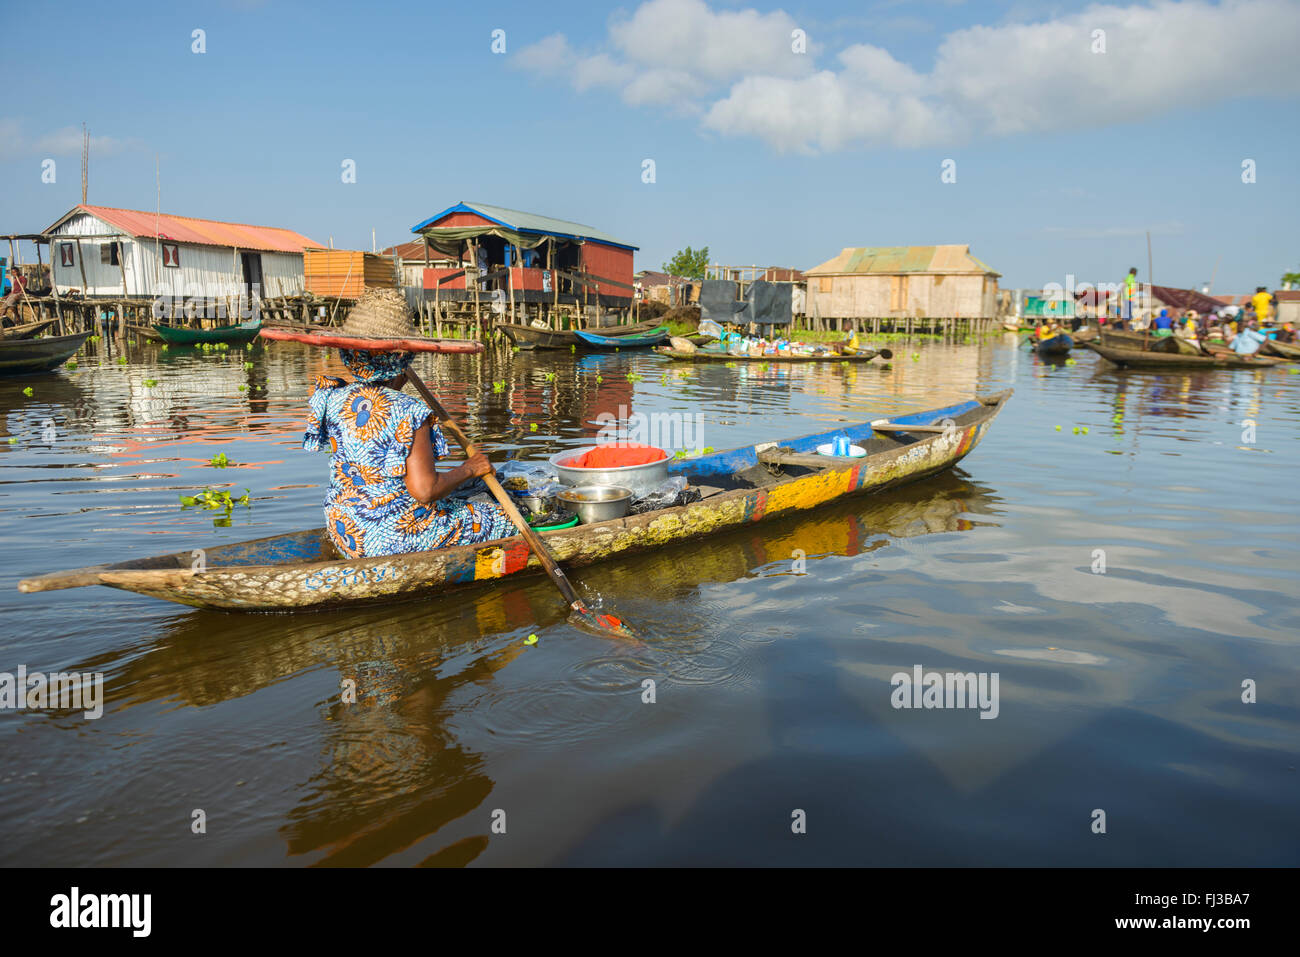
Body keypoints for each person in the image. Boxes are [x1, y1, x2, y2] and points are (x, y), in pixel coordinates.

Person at [301, 289, 517, 559]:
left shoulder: (331, 397)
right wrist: (470, 468)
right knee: (500, 515)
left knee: (465, 494)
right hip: (392, 541)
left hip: (345, 529)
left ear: (350, 354)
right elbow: (425, 491)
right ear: (402, 359)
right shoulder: (409, 411)